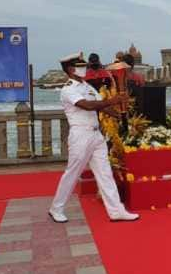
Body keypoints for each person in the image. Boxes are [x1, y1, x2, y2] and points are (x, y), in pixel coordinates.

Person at [49, 52, 139, 223]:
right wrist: (113, 100)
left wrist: (120, 113)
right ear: (70, 69)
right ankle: (56, 208)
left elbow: (100, 105)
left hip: (96, 134)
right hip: (80, 135)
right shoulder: (69, 89)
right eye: (81, 67)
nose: (85, 69)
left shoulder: (87, 87)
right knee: (73, 173)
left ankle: (116, 210)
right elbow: (87, 105)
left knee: (105, 173)